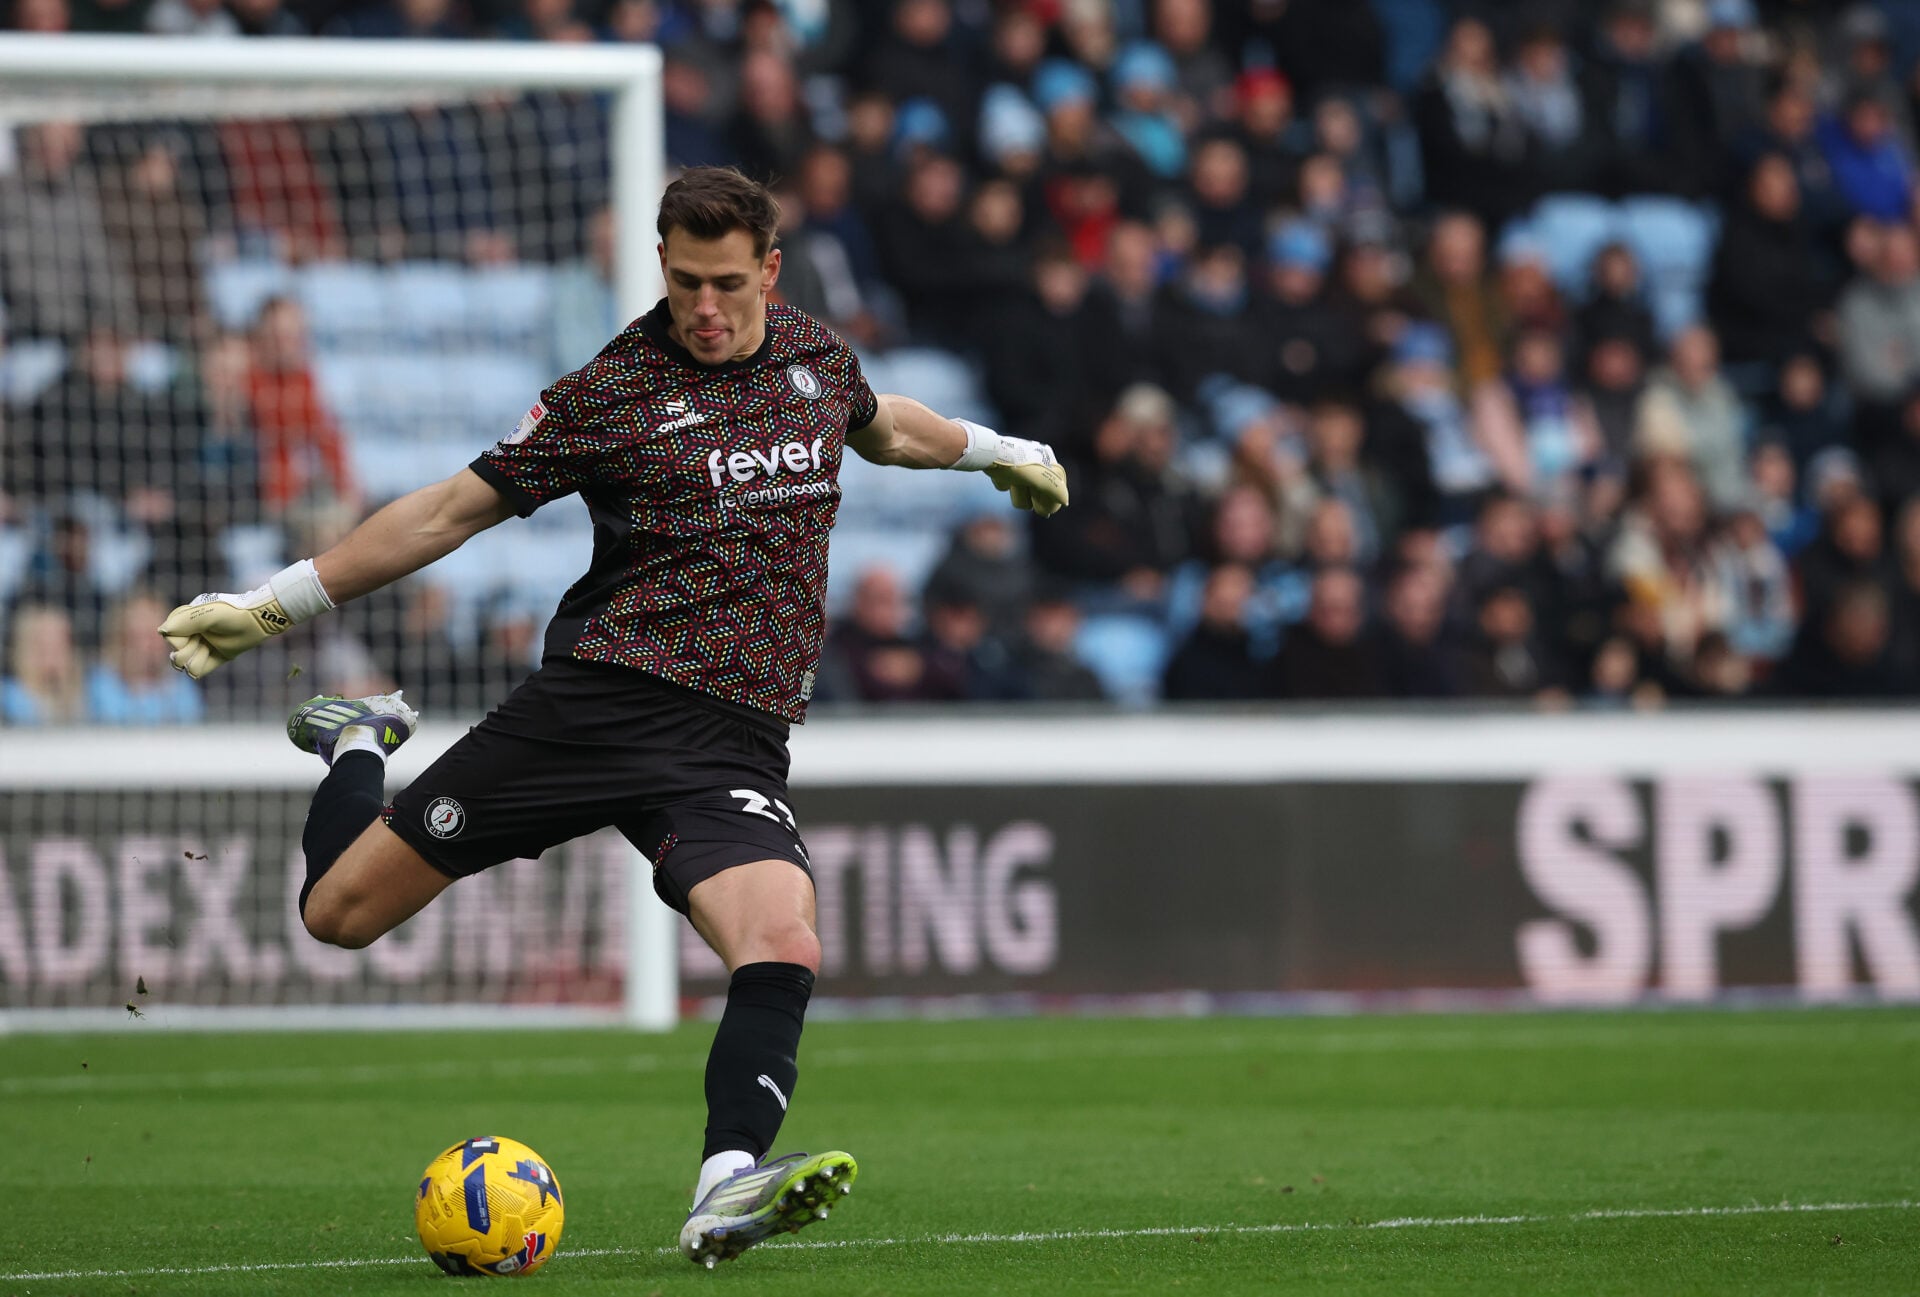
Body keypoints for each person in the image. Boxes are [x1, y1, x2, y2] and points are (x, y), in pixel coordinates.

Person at [156, 167, 1068, 1268]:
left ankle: (724, 1187)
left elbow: (886, 431)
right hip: (595, 708)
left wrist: (999, 450)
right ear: (662, 265)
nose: (706, 308)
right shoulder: (612, 390)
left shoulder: (816, 359)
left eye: (728, 284)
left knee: (783, 939)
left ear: (771, 272)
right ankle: (357, 740)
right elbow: (445, 512)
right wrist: (274, 603)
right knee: (337, 914)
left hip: (732, 741)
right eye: (685, 282)